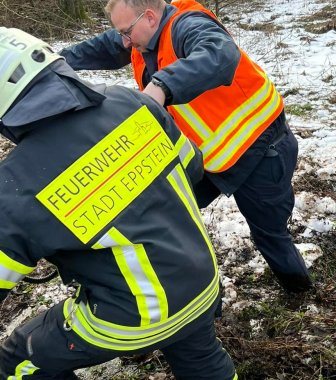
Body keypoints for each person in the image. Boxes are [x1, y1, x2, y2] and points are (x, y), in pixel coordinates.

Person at [0, 27, 240, 380]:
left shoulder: (15, 185)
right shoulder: (132, 103)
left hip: (133, 317)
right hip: (201, 278)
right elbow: (192, 169)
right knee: (192, 335)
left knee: (20, 363)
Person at [60, 0, 314, 293]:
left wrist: (161, 87)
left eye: (127, 32)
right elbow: (104, 46)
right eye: (121, 33)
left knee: (270, 234)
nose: (124, 41)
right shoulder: (139, 37)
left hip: (259, 149)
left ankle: (300, 294)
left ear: (151, 17)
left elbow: (218, 53)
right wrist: (57, 61)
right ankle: (187, 296)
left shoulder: (187, 25)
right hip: (208, 158)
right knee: (167, 210)